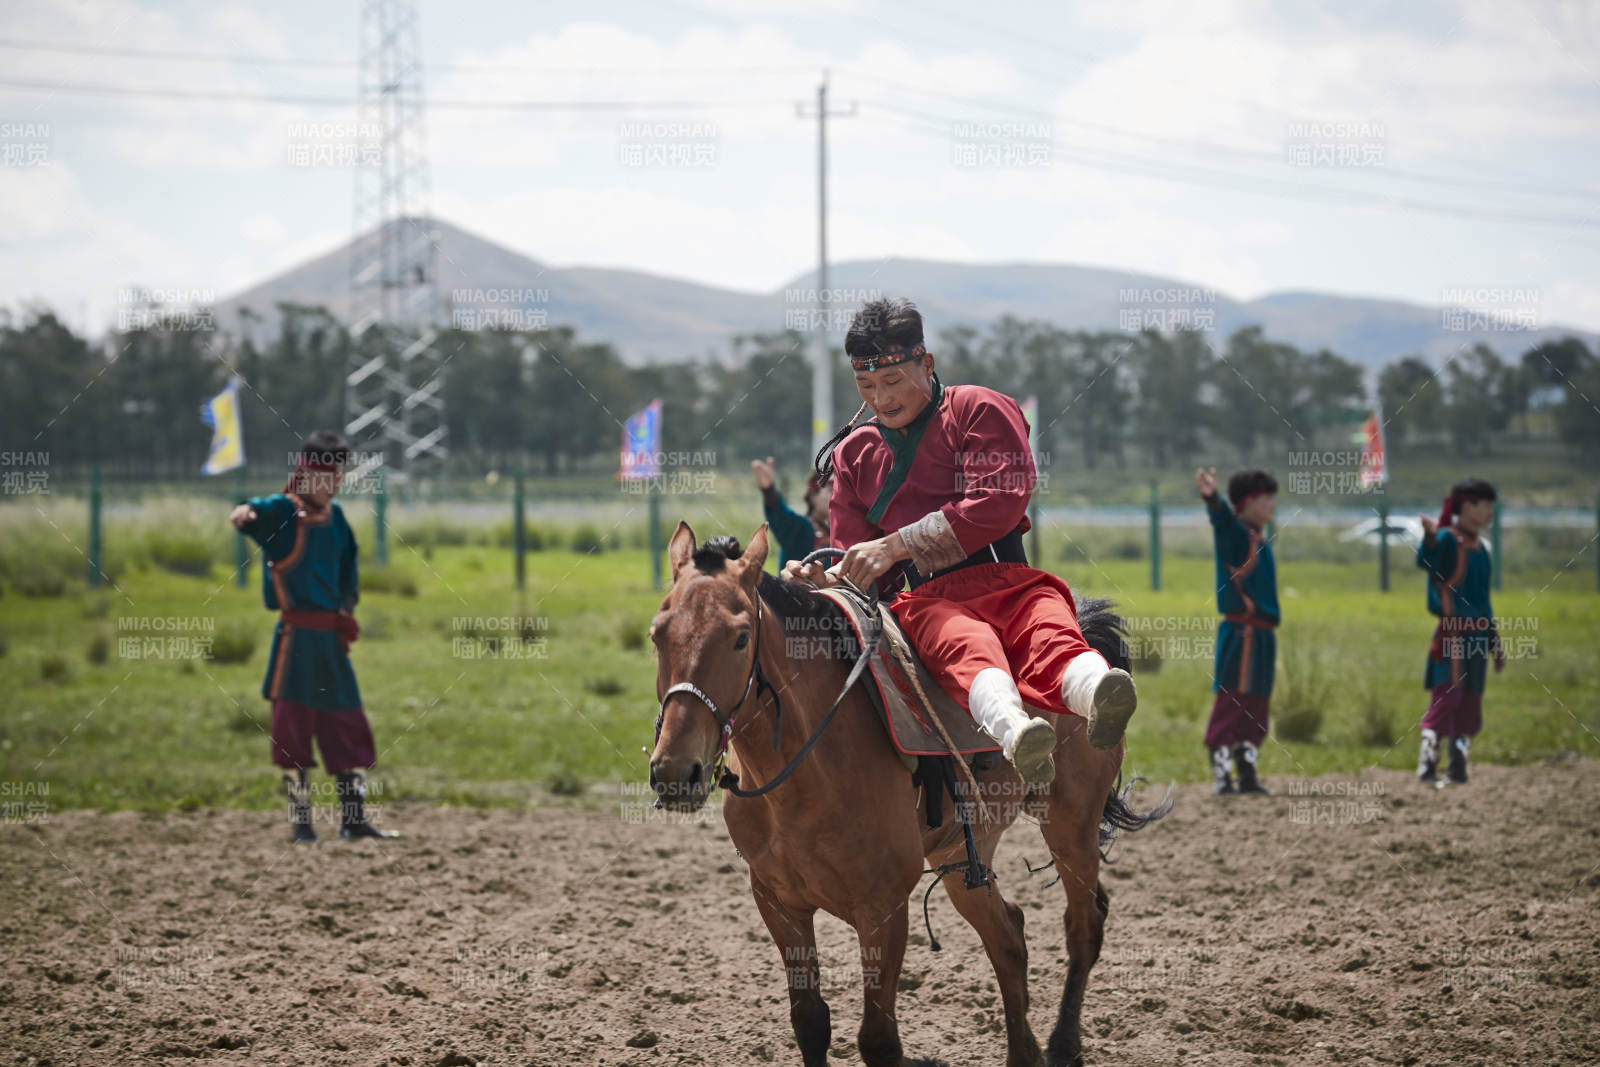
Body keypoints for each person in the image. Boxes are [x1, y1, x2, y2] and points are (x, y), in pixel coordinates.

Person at [782, 298, 1137, 788]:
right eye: (866, 385)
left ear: (926, 364)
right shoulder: (852, 455)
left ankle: (1101, 692)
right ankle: (1017, 735)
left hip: (1012, 579)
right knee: (966, 647)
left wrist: (895, 545)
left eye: (892, 381)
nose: (881, 399)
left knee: (1049, 628)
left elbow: (999, 502)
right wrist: (828, 580)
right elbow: (860, 561)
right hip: (927, 602)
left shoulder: (980, 408)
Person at [228, 430, 397, 843]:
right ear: (306, 475)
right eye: (329, 474)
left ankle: (353, 820)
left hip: (330, 642)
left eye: (338, 475)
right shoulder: (284, 514)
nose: (335, 482)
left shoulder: (336, 517)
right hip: (296, 642)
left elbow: (348, 568)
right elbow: (255, 512)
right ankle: (302, 824)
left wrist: (345, 610)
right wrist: (245, 512)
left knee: (347, 726)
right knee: (293, 732)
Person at [1197, 466, 1279, 796]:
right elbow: (1222, 522)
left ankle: (1246, 773)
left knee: (1257, 704)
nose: (1272, 505)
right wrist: (1213, 499)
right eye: (1266, 499)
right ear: (1246, 503)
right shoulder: (1236, 536)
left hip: (1262, 637)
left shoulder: (1259, 539)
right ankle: (1221, 776)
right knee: (1233, 701)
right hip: (1241, 636)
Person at [1415, 478, 1502, 786]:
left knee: (1471, 703)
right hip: (1453, 635)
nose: (1490, 512)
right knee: (1447, 698)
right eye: (1485, 506)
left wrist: (1494, 640)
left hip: (1478, 637)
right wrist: (1428, 538)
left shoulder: (1482, 550)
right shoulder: (1447, 540)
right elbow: (1427, 561)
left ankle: (1458, 766)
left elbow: (1483, 601)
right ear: (1467, 507)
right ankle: (1427, 765)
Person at [750, 455, 830, 569]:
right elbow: (780, 515)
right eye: (831, 489)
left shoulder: (841, 534)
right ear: (813, 495)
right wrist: (768, 491)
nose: (838, 495)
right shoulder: (800, 528)